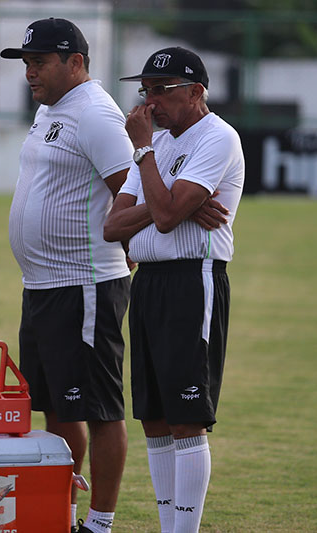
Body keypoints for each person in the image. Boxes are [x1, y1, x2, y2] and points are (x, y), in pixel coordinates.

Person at [0, 17, 134, 533]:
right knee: (57, 406)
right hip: (43, 286)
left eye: (39, 63)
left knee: (99, 409)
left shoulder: (97, 114)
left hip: (85, 284)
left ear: (75, 62)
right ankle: (63, 514)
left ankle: (99, 523)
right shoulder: (52, 110)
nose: (30, 73)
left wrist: (129, 249)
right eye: (26, 64)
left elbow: (131, 189)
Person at [104, 47, 245, 533]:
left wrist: (146, 160)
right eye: (145, 91)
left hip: (194, 279)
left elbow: (163, 217)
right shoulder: (161, 147)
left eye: (161, 91)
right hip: (150, 284)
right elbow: (113, 226)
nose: (150, 103)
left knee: (187, 418)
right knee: (155, 419)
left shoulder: (217, 137)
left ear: (196, 92)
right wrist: (175, 198)